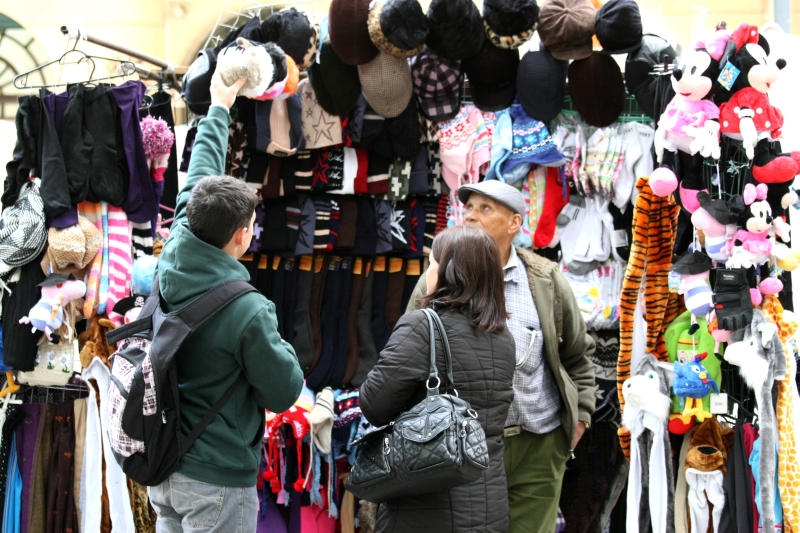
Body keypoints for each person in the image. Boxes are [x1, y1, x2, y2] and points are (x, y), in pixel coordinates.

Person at [149, 69, 304, 532]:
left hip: (164, 464)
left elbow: (201, 172)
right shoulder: (247, 310)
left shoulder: (177, 244)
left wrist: (219, 106)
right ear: (241, 235)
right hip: (215, 480)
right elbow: (284, 390)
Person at [406, 181, 596, 533]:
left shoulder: (545, 280)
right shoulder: (439, 276)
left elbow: (578, 356)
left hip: (539, 444)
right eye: (469, 208)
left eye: (485, 208)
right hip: (464, 448)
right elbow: (407, 357)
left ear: (514, 223)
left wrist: (579, 419)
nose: (470, 216)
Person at [360, 225, 516, 533]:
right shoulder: (503, 338)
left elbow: (373, 406)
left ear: (449, 272)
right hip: (490, 503)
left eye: (432, 262)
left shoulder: (422, 327)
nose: (428, 271)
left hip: (427, 504)